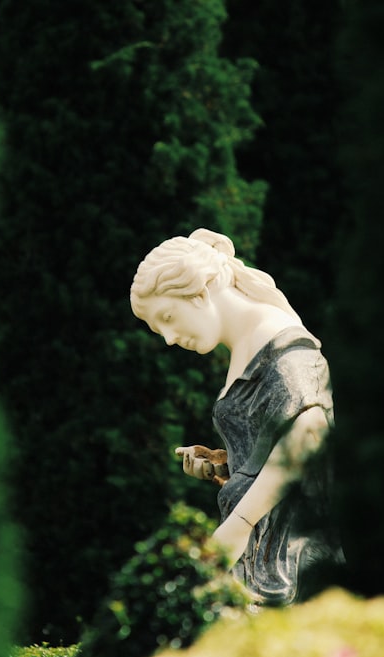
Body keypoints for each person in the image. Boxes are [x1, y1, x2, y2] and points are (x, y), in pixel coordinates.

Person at [130, 228, 344, 605]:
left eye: (167, 317)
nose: (168, 338)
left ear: (199, 293)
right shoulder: (251, 344)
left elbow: (308, 435)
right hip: (261, 556)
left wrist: (239, 527)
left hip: (288, 561)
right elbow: (274, 441)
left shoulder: (281, 341)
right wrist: (225, 464)